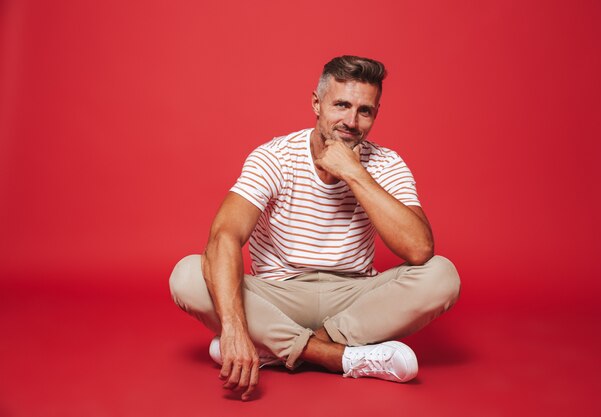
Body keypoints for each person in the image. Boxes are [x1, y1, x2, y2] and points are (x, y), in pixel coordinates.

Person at [169, 55, 461, 401]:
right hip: (279, 294)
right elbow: (224, 236)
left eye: (364, 110)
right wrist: (233, 329)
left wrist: (354, 173)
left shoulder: (386, 164)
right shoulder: (274, 157)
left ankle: (277, 349)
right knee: (187, 274)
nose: (351, 121)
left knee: (443, 275)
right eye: (341, 105)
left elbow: (419, 249)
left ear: (375, 114)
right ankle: (340, 357)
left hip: (353, 299)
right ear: (316, 103)